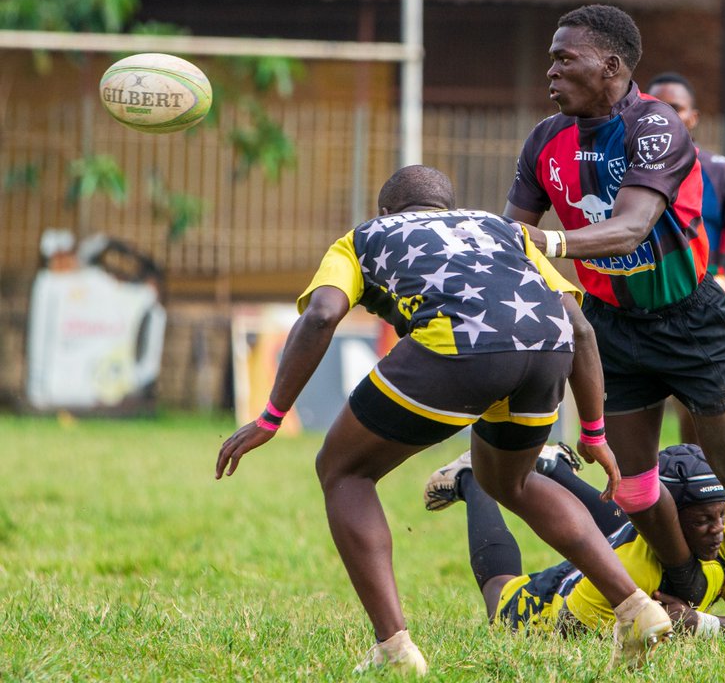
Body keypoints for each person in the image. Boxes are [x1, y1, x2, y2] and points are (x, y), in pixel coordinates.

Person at [215, 165, 673, 674]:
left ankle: (393, 649)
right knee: (511, 482)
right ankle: (634, 607)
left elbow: (322, 314)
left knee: (344, 471)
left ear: (386, 211)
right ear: (448, 207)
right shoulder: (504, 228)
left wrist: (272, 416)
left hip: (460, 347)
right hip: (548, 349)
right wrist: (592, 432)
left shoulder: (363, 237)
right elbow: (582, 329)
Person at [503, 3, 725, 638]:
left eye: (565, 58)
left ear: (610, 65)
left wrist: (548, 246)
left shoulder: (656, 127)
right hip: (612, 326)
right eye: (550, 58)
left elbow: (632, 227)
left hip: (692, 320)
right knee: (634, 484)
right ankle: (683, 579)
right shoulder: (544, 139)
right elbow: (514, 233)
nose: (550, 70)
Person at [425, 443, 725, 642]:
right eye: (703, 520)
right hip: (559, 599)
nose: (718, 528)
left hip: (633, 542)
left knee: (635, 517)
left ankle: (554, 468)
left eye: (719, 513)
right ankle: (473, 476)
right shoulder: (632, 566)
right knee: (499, 597)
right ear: (673, 518)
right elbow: (568, 636)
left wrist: (697, 624)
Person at [646, 71, 725, 446]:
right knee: (635, 445)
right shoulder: (622, 169)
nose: (665, 116)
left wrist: (722, 284)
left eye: (676, 108)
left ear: (693, 117)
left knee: (700, 440)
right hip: (636, 315)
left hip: (698, 314)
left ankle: (701, 497)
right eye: (656, 108)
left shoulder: (720, 172)